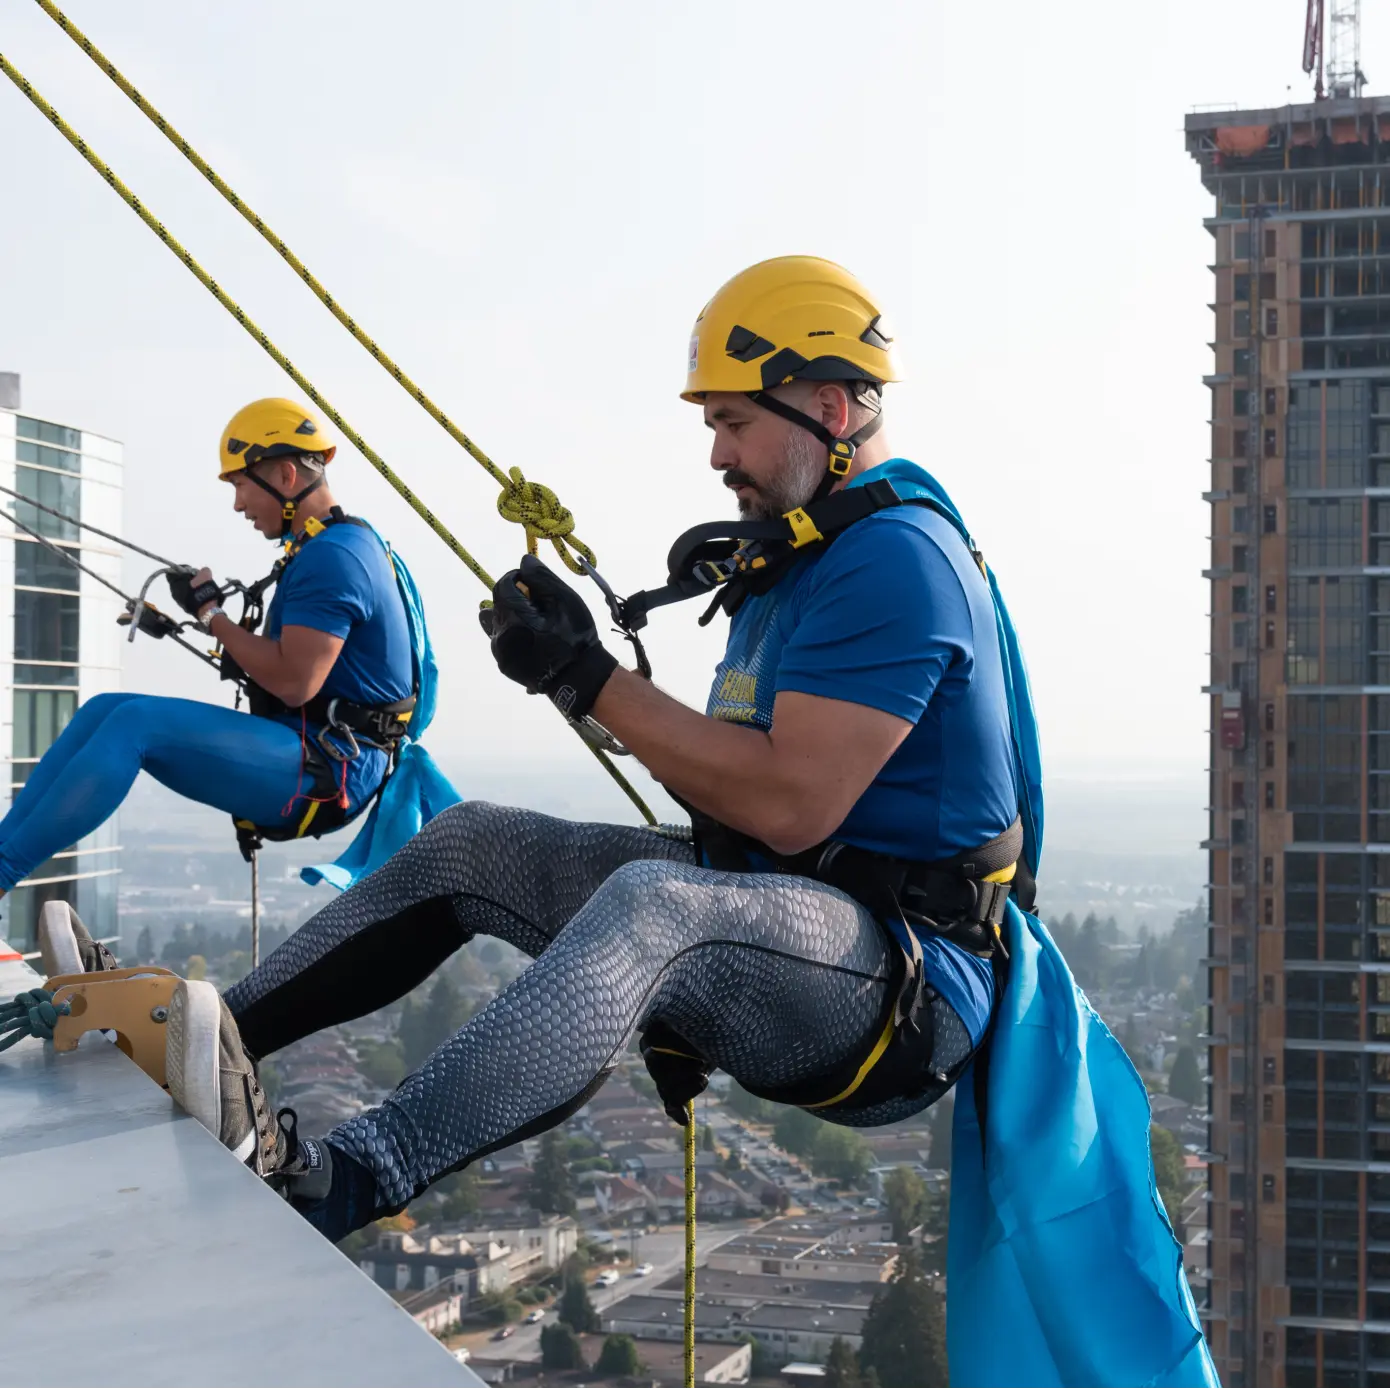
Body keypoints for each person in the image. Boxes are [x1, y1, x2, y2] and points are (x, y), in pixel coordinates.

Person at [163, 258, 1025, 1237]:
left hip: (903, 986)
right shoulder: (804, 558)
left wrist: (588, 678)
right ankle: (204, 1041)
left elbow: (790, 803)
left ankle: (347, 1177)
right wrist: (593, 671)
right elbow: (736, 780)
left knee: (653, 905)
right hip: (798, 915)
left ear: (829, 409)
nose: (715, 456)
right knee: (470, 840)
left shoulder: (894, 561)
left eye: (732, 423)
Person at [28, 399, 419, 976]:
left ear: (286, 475)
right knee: (109, 708)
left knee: (135, 725)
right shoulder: (328, 547)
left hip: (326, 772)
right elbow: (295, 674)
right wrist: (212, 619)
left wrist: (214, 616)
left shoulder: (333, 558)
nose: (238, 504)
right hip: (317, 751)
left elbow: (292, 679)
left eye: (242, 485)